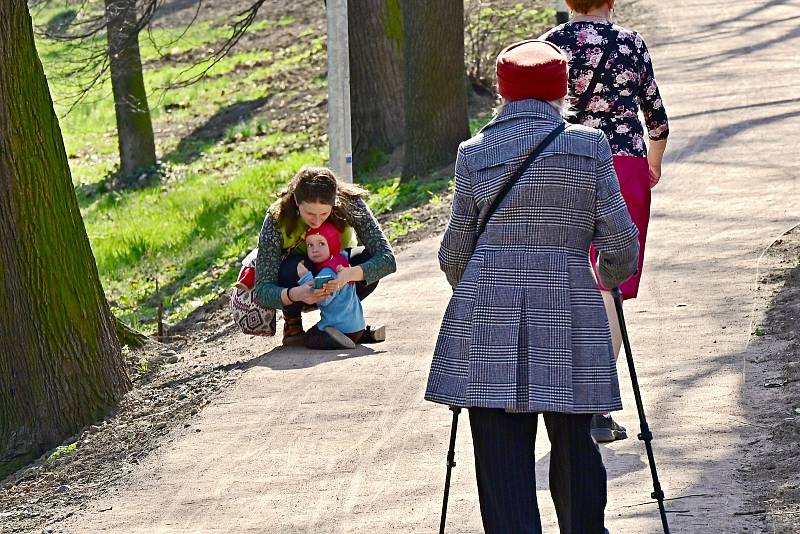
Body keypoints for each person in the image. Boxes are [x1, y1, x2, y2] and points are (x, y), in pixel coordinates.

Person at [425, 40, 639, 533]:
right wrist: (602, 280)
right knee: (574, 442)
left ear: (502, 91)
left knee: (499, 455)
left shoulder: (474, 153)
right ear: (561, 90)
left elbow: (454, 251)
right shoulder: (588, 146)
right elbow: (621, 242)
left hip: (490, 314)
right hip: (569, 307)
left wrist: (482, 286)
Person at [542, 0, 670, 442]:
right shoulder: (631, 44)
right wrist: (651, 166)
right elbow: (657, 121)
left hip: (566, 163)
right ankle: (595, 404)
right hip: (625, 164)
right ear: (611, 2)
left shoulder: (551, 46)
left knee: (570, 276)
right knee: (610, 282)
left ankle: (564, 399)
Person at [253, 166, 395, 345]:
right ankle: (293, 324)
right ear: (297, 201)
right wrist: (296, 294)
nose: (318, 220)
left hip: (339, 276)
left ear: (334, 202)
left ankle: (347, 325)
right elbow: (262, 291)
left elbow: (387, 259)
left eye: (325, 213)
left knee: (367, 261)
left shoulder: (350, 203)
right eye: (310, 214)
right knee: (291, 268)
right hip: (300, 284)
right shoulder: (277, 217)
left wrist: (349, 275)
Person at [296, 221, 366, 350]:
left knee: (309, 338)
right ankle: (366, 334)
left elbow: (323, 300)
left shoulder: (327, 272)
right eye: (310, 245)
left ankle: (337, 341)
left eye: (321, 243)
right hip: (358, 327)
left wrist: (306, 277)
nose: (315, 249)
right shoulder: (342, 262)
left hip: (340, 328)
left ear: (332, 243)